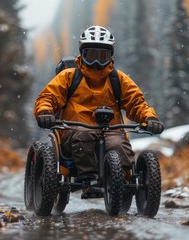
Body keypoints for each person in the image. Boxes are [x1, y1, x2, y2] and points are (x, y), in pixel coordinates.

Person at [33, 25, 164, 183]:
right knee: (84, 135)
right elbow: (49, 96)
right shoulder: (68, 76)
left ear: (110, 56)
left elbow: (137, 102)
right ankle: (89, 179)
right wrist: (45, 112)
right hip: (73, 131)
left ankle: (122, 182)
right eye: (91, 55)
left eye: (102, 56)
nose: (96, 62)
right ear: (82, 54)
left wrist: (150, 118)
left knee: (118, 144)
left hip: (111, 131)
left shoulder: (118, 79)